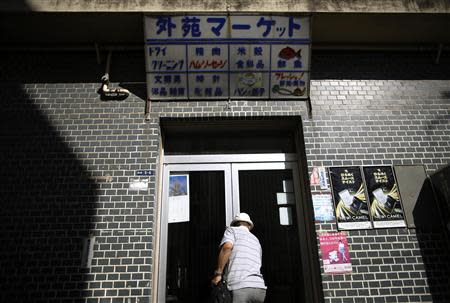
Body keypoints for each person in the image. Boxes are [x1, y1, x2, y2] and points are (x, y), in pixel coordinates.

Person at [211, 213, 266, 303]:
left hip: (240, 287)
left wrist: (218, 273)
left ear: (235, 224)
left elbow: (227, 247)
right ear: (249, 225)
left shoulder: (232, 230)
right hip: (259, 289)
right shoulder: (256, 240)